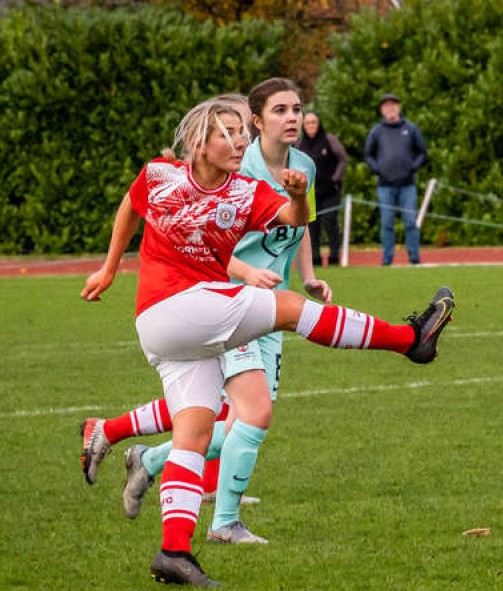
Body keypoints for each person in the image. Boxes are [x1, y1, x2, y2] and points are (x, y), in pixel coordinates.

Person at [81, 96, 455, 587]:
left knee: (193, 433)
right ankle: (411, 340)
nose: (239, 141)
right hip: (173, 308)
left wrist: (299, 195)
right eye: (228, 132)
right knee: (290, 310)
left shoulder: (245, 190)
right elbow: (131, 206)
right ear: (199, 142)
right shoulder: (161, 175)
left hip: (175, 331)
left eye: (241, 131)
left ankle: (174, 553)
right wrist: (110, 267)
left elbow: (295, 220)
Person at [80, 82, 327, 547]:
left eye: (298, 109)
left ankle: (143, 457)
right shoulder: (239, 162)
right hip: (226, 301)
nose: (293, 118)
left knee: (228, 416)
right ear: (257, 122)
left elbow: (299, 221)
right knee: (248, 415)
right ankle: (223, 521)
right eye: (281, 110)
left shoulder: (304, 165)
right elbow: (203, 236)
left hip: (274, 303)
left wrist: (309, 274)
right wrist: (243, 271)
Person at [363, 92, 427, 266]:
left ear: (399, 107)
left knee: (410, 222)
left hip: (408, 185)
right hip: (385, 185)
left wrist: (413, 168)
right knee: (386, 223)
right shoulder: (376, 131)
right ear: (382, 110)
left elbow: (422, 152)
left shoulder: (411, 129)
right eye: (386, 106)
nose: (390, 109)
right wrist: (378, 170)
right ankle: (387, 258)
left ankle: (414, 257)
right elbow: (368, 155)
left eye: (393, 105)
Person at [297, 111, 347, 267]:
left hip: (330, 191)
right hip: (309, 192)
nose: (311, 126)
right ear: (303, 126)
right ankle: (315, 259)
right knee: (312, 227)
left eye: (313, 122)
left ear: (318, 124)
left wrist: (335, 178)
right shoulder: (299, 144)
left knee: (330, 223)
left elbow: (343, 159)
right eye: (307, 123)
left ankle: (333, 257)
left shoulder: (329, 140)